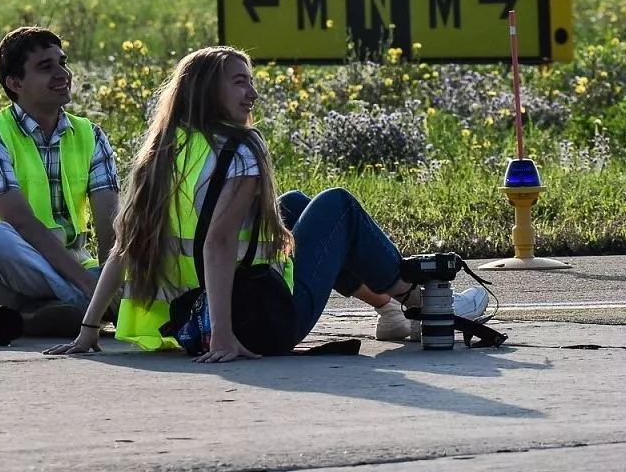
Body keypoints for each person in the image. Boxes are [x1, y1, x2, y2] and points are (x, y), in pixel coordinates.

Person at [45, 46, 487, 362]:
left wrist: (89, 331)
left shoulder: (162, 150)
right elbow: (216, 243)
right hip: (260, 322)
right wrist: (225, 337)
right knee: (338, 206)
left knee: (292, 206)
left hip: (187, 322)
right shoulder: (240, 148)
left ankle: (390, 310)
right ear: (207, 92)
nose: (252, 93)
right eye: (240, 82)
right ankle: (421, 299)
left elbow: (126, 245)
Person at [0, 27, 120, 337]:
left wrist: (116, 282)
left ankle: (49, 315)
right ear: (15, 83)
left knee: (136, 262)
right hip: (3, 277)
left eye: (63, 62)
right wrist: (91, 288)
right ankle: (91, 308)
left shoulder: (91, 136)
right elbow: (22, 224)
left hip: (70, 271)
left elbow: (110, 226)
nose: (63, 74)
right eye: (46, 67)